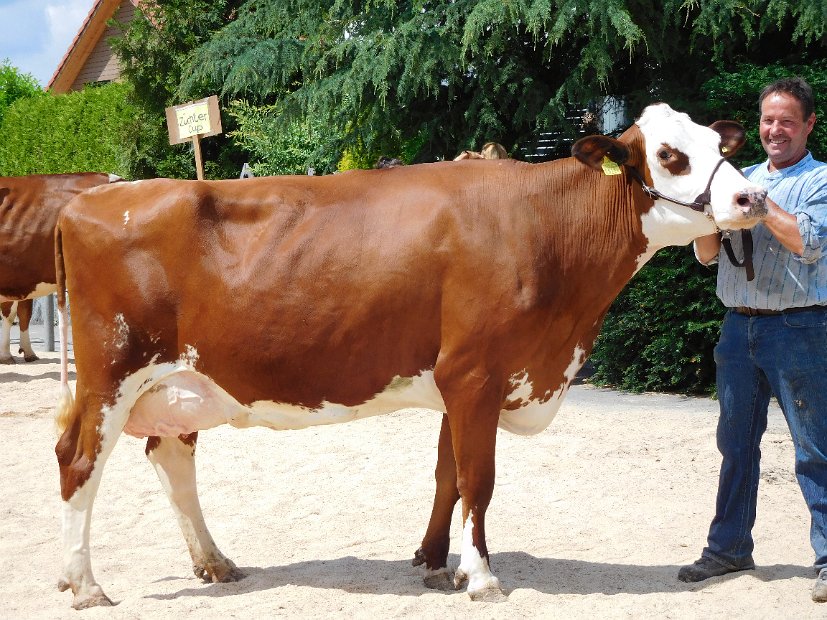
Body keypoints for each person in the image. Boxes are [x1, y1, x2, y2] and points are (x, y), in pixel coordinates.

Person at [684, 76, 827, 603]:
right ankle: (728, 549)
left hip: (801, 328)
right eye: (768, 120)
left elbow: (808, 244)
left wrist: (757, 204)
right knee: (735, 446)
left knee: (816, 450)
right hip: (736, 327)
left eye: (787, 120)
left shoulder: (821, 181)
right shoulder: (735, 178)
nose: (775, 129)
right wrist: (703, 214)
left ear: (809, 125)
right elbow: (705, 255)